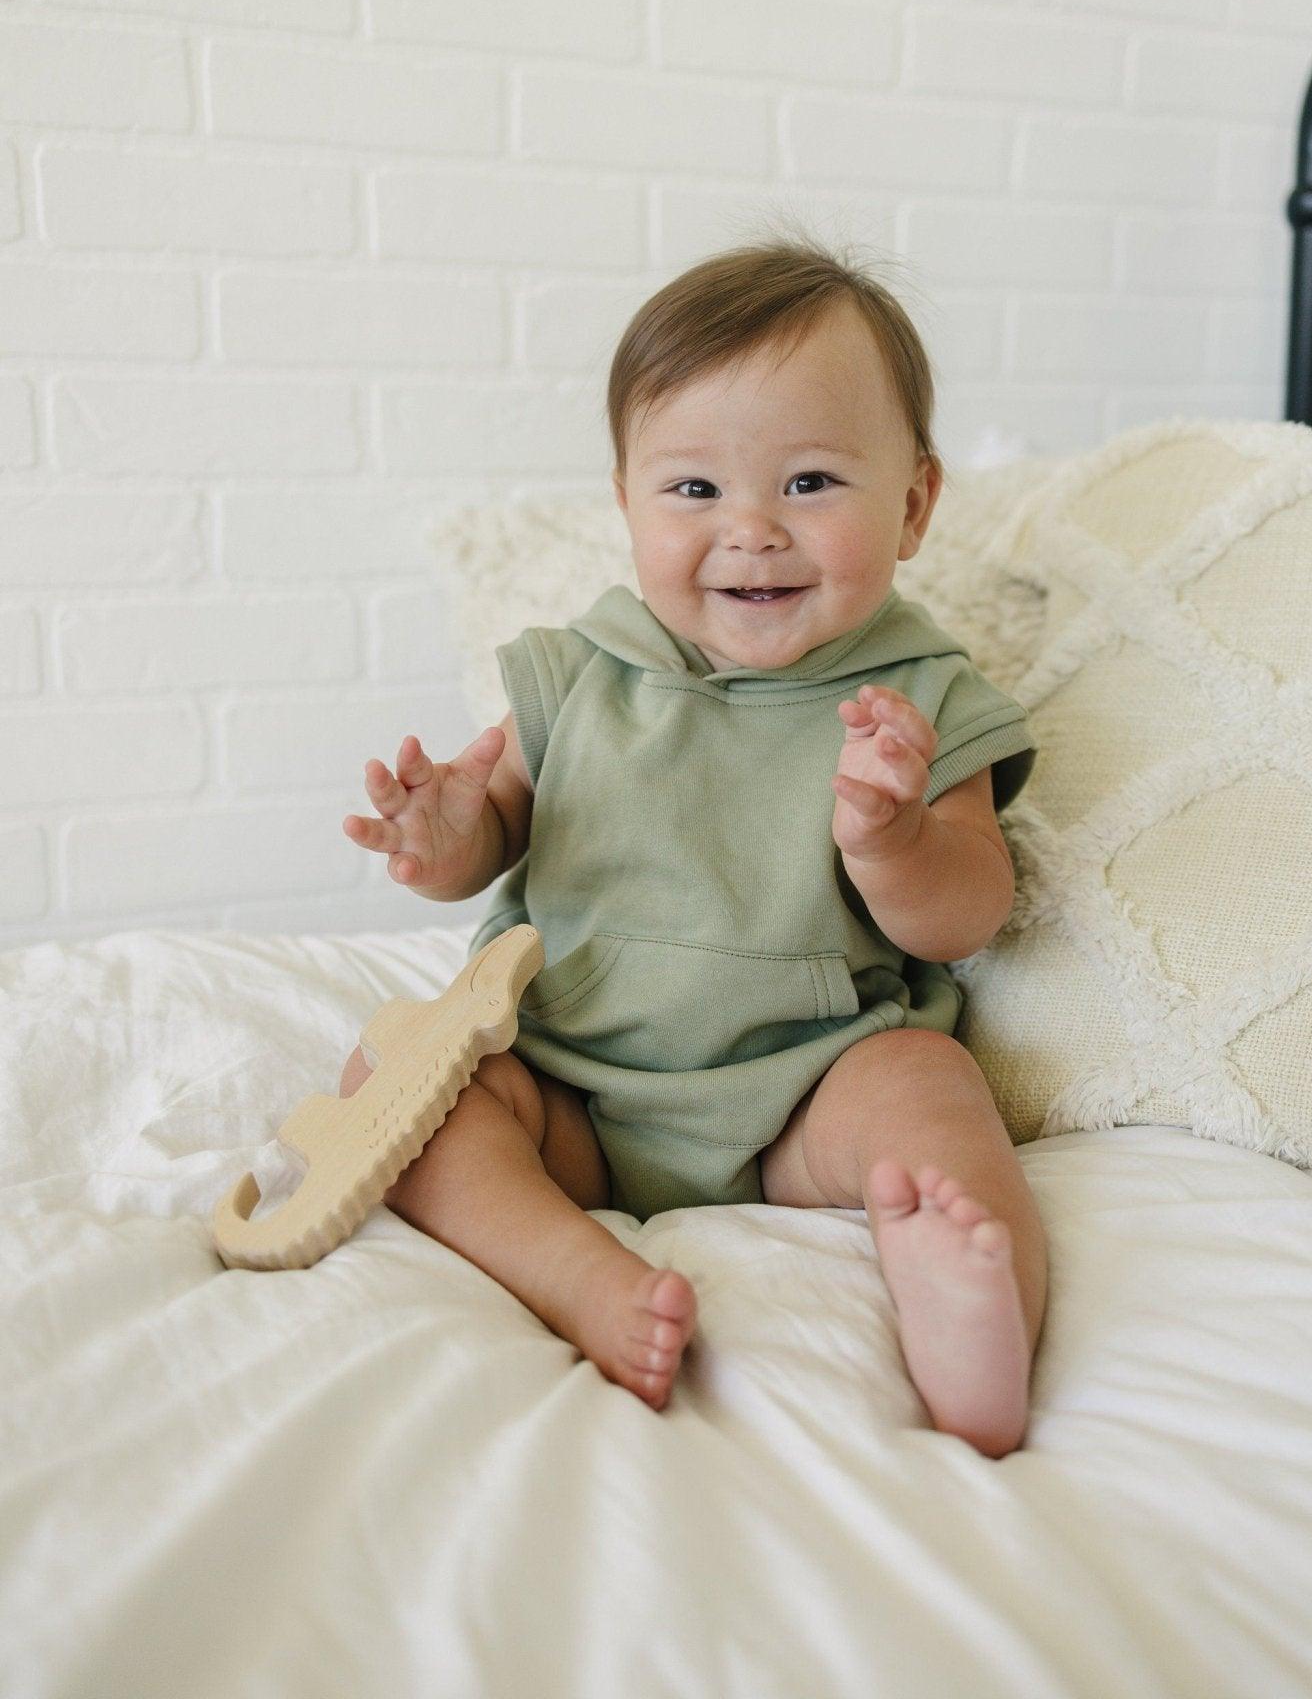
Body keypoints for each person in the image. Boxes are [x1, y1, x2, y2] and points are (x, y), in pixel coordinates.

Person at [340, 237, 1047, 1458]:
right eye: (695, 489)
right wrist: (447, 835)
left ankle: (972, 1305)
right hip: (568, 1080)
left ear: (915, 504)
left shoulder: (920, 697)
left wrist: (895, 839)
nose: (752, 530)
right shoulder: (578, 671)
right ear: (626, 501)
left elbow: (970, 911)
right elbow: (487, 828)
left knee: (931, 1089)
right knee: (395, 1084)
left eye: (811, 481)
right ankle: (573, 1269)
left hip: (803, 1091)